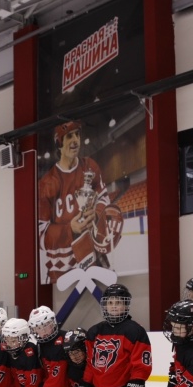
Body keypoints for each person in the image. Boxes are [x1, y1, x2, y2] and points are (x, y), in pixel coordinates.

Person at [37, 121, 124, 282]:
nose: (75, 140)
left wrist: (96, 214)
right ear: (59, 142)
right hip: (61, 268)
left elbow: (104, 198)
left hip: (94, 257)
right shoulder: (46, 184)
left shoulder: (90, 166)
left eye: (77, 134)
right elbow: (40, 236)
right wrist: (70, 229)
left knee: (108, 298)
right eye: (69, 136)